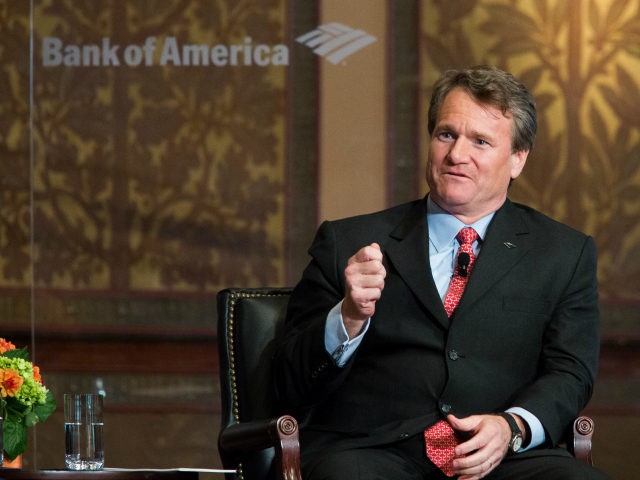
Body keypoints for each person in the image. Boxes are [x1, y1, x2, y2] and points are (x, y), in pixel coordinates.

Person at [273, 65, 610, 480]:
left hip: (502, 459)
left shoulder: (563, 253)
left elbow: (570, 373)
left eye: (481, 142)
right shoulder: (348, 242)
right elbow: (287, 382)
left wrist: (512, 427)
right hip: (371, 453)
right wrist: (346, 318)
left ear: (517, 159)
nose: (456, 155)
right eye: (446, 134)